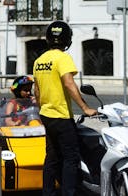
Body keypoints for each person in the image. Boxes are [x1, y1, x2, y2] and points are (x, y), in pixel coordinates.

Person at [33, 21, 97, 196]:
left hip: (46, 115)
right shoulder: (63, 58)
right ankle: (68, 193)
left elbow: (36, 91)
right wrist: (85, 107)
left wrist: (43, 109)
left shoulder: (39, 60)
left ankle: (48, 193)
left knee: (51, 158)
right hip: (61, 116)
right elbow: (69, 83)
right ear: (67, 39)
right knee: (71, 158)